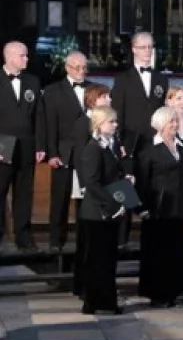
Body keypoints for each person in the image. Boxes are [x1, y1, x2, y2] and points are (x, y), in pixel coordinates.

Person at [136, 107, 183, 308]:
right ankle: (157, 293)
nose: (175, 125)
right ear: (161, 124)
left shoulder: (182, 148)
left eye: (177, 122)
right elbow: (142, 181)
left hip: (179, 208)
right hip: (158, 209)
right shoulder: (149, 150)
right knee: (157, 253)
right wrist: (142, 207)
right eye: (171, 122)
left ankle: (174, 291)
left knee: (177, 251)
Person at [77, 106, 130, 315]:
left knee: (108, 259)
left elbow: (114, 176)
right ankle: (92, 302)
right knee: (96, 260)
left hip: (111, 210)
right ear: (100, 124)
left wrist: (124, 199)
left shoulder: (111, 145)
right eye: (112, 122)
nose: (116, 125)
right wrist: (112, 206)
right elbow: (92, 183)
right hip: (96, 213)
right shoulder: (92, 148)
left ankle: (107, 301)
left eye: (116, 121)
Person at [37, 50, 89, 252]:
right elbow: (49, 124)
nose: (82, 71)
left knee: (85, 201)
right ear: (67, 68)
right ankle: (56, 243)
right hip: (63, 153)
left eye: (85, 67)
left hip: (86, 153)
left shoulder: (93, 88)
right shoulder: (53, 91)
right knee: (60, 199)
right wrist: (52, 153)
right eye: (78, 67)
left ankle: (85, 242)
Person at [0, 41, 43, 253]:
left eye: (26, 55)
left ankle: (24, 236)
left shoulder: (32, 81)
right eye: (23, 56)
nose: (27, 59)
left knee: (24, 192)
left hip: (27, 143)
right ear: (9, 57)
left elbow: (39, 116)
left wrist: (40, 145)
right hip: (2, 144)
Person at [70, 84, 112, 298]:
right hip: (89, 184)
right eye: (104, 97)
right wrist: (86, 184)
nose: (109, 100)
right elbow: (80, 155)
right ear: (93, 100)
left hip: (103, 185)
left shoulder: (108, 126)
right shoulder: (83, 123)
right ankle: (82, 285)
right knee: (86, 238)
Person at [111, 32, 169, 156]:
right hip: (131, 140)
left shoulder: (161, 78)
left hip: (157, 138)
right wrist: (119, 141)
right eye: (143, 47)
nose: (147, 51)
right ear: (134, 49)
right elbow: (118, 111)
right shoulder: (123, 79)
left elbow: (165, 109)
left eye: (150, 47)